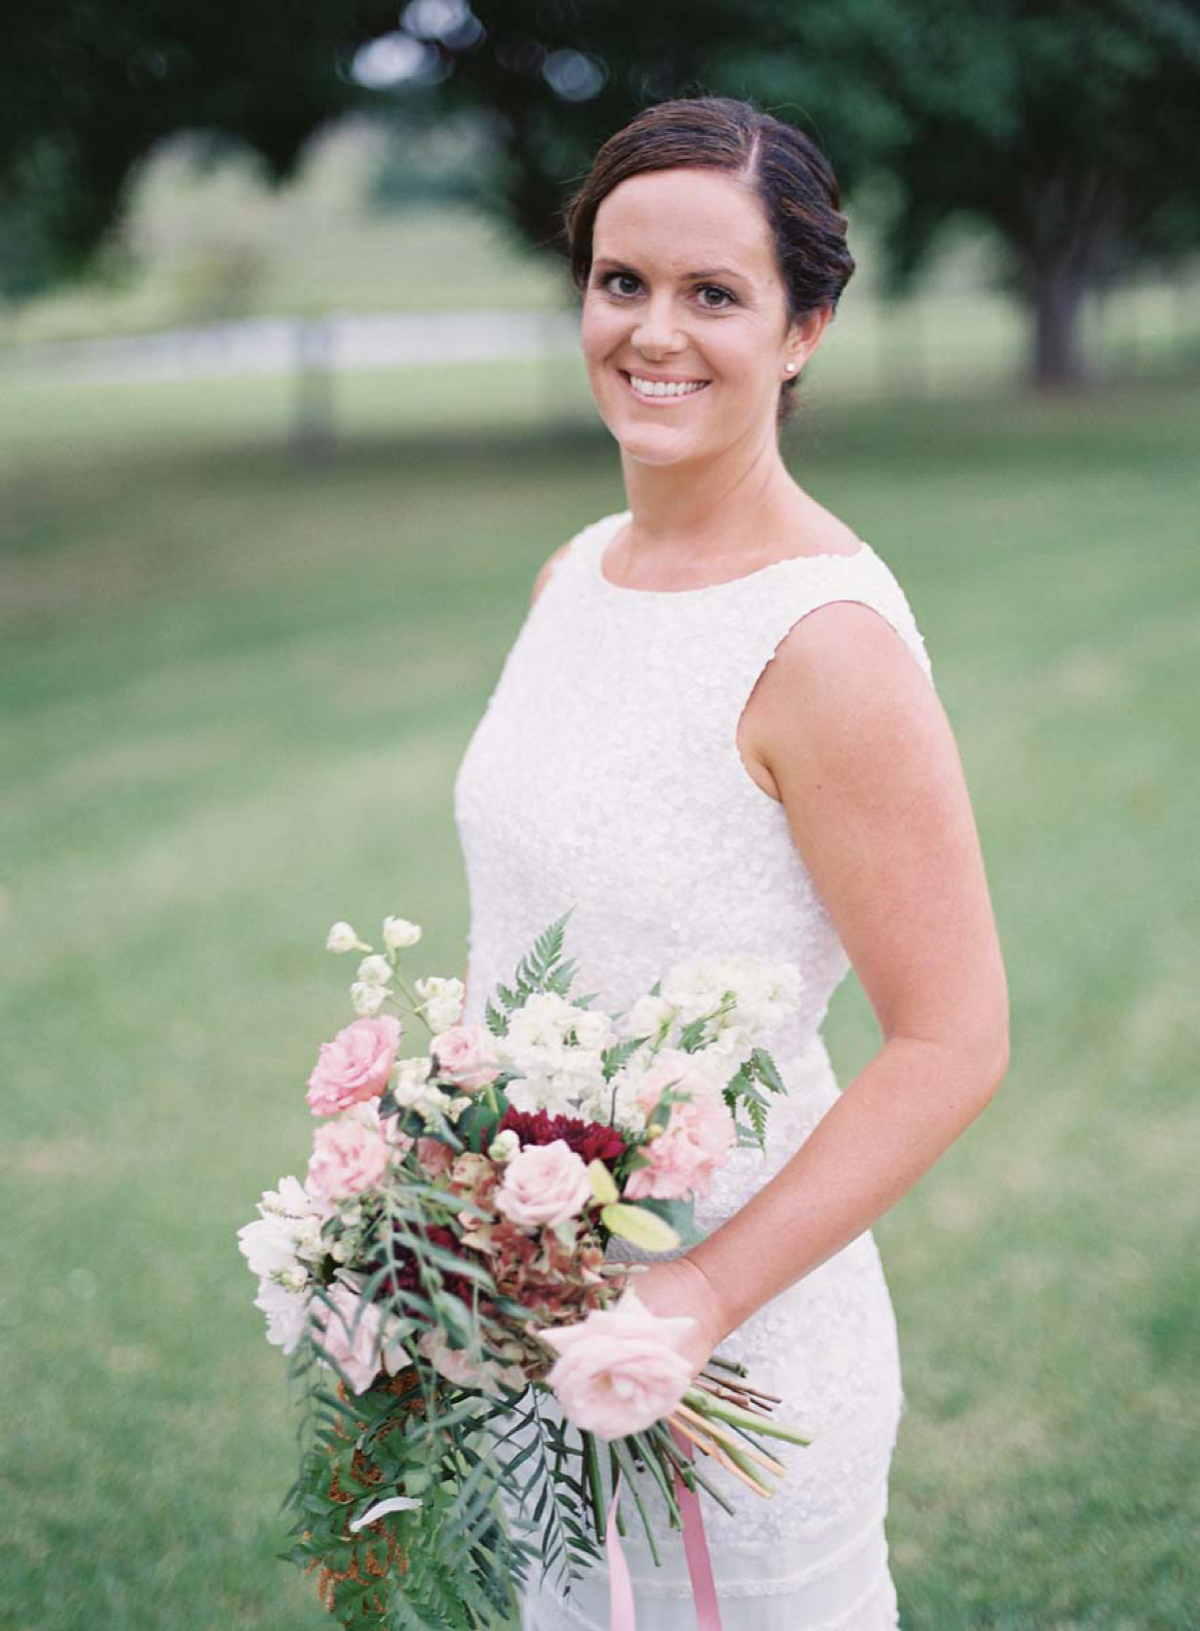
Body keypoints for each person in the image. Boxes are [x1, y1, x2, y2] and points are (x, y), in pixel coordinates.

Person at [453, 94, 1009, 1631]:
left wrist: (690, 1297)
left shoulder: (824, 644)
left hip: (735, 1356)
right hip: (538, 1325)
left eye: (716, 294)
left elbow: (954, 1040)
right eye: (622, 282)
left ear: (806, 326)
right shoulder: (573, 573)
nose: (654, 333)